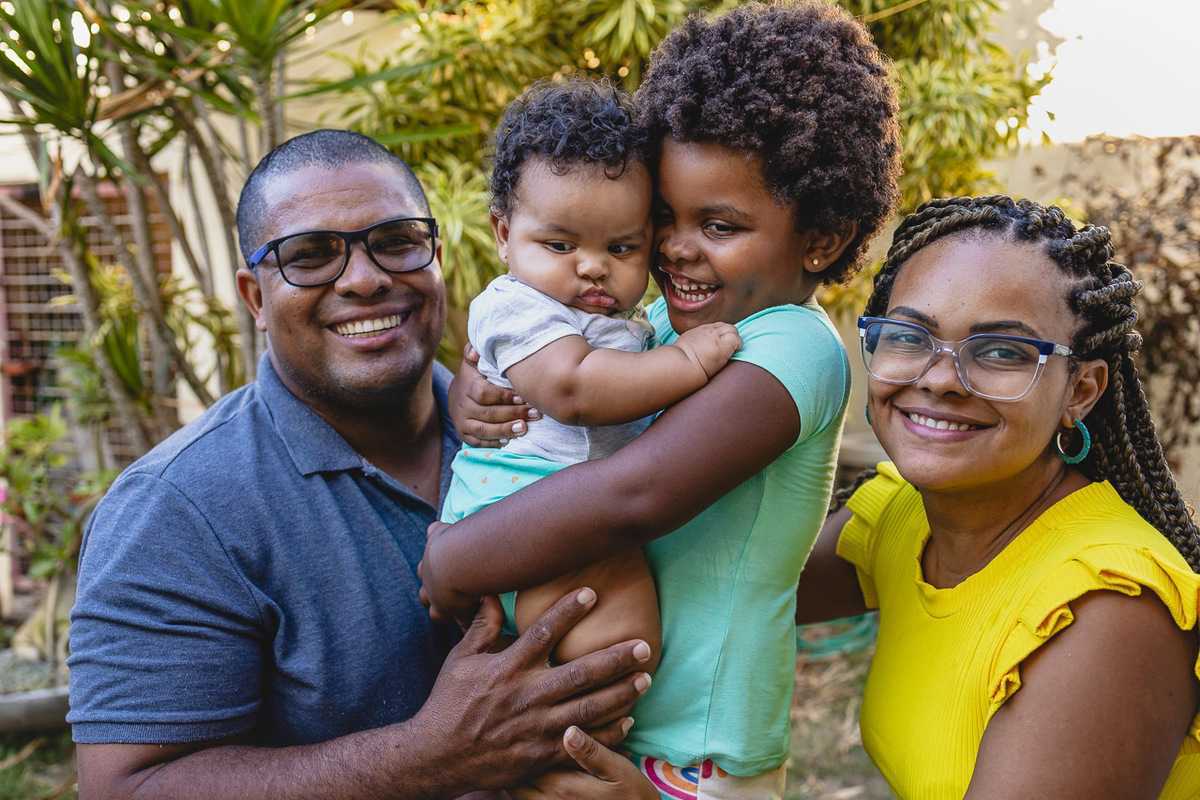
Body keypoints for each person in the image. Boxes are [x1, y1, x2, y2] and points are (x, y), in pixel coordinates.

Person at [66, 129, 659, 800]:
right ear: (255, 298)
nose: (365, 277)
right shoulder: (177, 509)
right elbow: (125, 789)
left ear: (438, 256)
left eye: (396, 240)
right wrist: (431, 758)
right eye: (310, 255)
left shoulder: (560, 417)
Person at [418, 3, 903, 796]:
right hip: (616, 728)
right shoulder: (654, 324)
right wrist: (484, 386)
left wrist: (453, 559)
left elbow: (633, 496)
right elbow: (562, 380)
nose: (676, 246)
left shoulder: (792, 347)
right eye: (663, 219)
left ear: (821, 235)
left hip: (697, 752)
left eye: (719, 223)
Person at [795, 195, 1200, 799]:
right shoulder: (902, 516)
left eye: (1002, 352)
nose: (937, 378)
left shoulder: (1106, 609)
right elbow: (723, 596)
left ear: (1080, 391)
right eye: (909, 336)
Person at [441, 76, 741, 668]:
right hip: (525, 520)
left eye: (622, 249)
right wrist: (684, 360)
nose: (593, 267)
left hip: (563, 523)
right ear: (504, 235)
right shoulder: (515, 305)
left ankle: (569, 753)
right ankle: (570, 754)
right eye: (559, 245)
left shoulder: (628, 324)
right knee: (615, 660)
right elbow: (575, 389)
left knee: (610, 665)